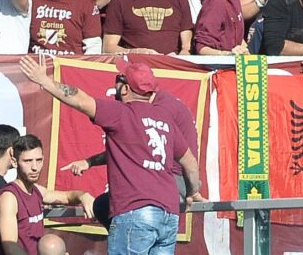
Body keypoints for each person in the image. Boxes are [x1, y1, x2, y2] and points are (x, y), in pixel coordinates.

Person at [33, 58, 198, 255]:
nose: (115, 83)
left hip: (136, 212)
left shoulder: (121, 113)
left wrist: (45, 81)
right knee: (102, 204)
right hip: (168, 215)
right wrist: (191, 192)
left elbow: (80, 99)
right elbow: (190, 163)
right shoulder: (165, 120)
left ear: (126, 89)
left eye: (118, 79)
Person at [0, 137, 49, 255]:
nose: (34, 167)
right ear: (14, 162)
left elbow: (67, 196)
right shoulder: (9, 197)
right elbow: (10, 247)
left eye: (39, 160)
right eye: (27, 161)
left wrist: (83, 196)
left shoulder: (37, 190)